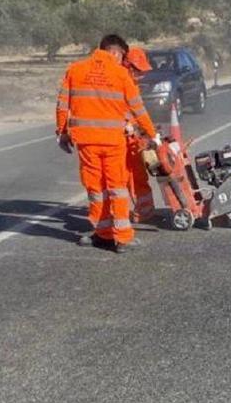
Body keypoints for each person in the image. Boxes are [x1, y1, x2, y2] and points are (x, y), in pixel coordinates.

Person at [55, 34, 156, 253]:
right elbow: (138, 108)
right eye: (122, 57)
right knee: (117, 188)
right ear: (115, 53)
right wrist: (151, 134)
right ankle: (122, 238)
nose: (123, 62)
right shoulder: (120, 74)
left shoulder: (75, 70)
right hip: (113, 143)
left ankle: (103, 233)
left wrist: (62, 133)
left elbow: (62, 105)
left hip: (86, 143)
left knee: (96, 189)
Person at [120, 45, 157, 223]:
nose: (142, 75)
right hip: (122, 136)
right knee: (126, 176)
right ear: (128, 65)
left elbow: (136, 111)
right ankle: (133, 210)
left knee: (138, 174)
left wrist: (143, 131)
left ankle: (145, 209)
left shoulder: (132, 83)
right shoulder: (120, 81)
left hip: (132, 135)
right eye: (138, 70)